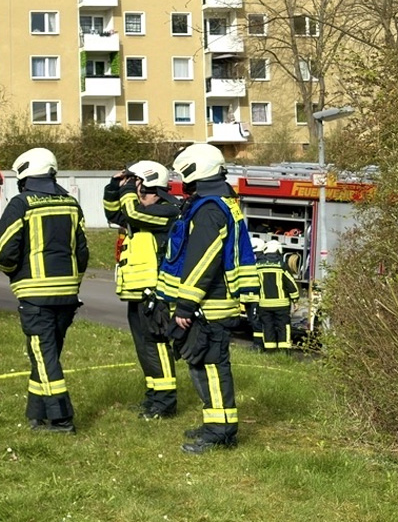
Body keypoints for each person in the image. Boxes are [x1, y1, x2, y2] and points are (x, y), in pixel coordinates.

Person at [159, 143, 259, 454]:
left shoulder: (209, 209)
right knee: (201, 364)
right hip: (211, 302)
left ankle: (220, 432)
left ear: (195, 171)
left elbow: (202, 260)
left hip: (209, 305)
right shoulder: (220, 202)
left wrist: (185, 305)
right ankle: (214, 424)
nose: (182, 181)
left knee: (213, 368)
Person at [0, 147, 89, 433]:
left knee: (44, 356)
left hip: (35, 294)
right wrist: (74, 281)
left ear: (25, 176)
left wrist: (14, 274)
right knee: (47, 355)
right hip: (68, 294)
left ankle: (62, 419)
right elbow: (82, 251)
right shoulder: (71, 203)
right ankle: (36, 414)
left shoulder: (21, 204)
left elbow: (4, 251)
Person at [103, 159, 183, 419]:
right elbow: (114, 214)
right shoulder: (142, 213)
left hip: (156, 293)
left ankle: (165, 403)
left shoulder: (167, 211)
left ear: (150, 187)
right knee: (144, 347)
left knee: (156, 345)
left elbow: (133, 213)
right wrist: (114, 187)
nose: (136, 194)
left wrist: (128, 190)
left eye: (138, 186)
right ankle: (153, 397)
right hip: (138, 293)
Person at [252, 238, 300, 352]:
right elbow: (291, 284)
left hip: (264, 304)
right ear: (278, 251)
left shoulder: (258, 266)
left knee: (267, 327)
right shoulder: (282, 266)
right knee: (283, 326)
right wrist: (295, 300)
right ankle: (283, 351)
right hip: (281, 304)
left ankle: (270, 351)